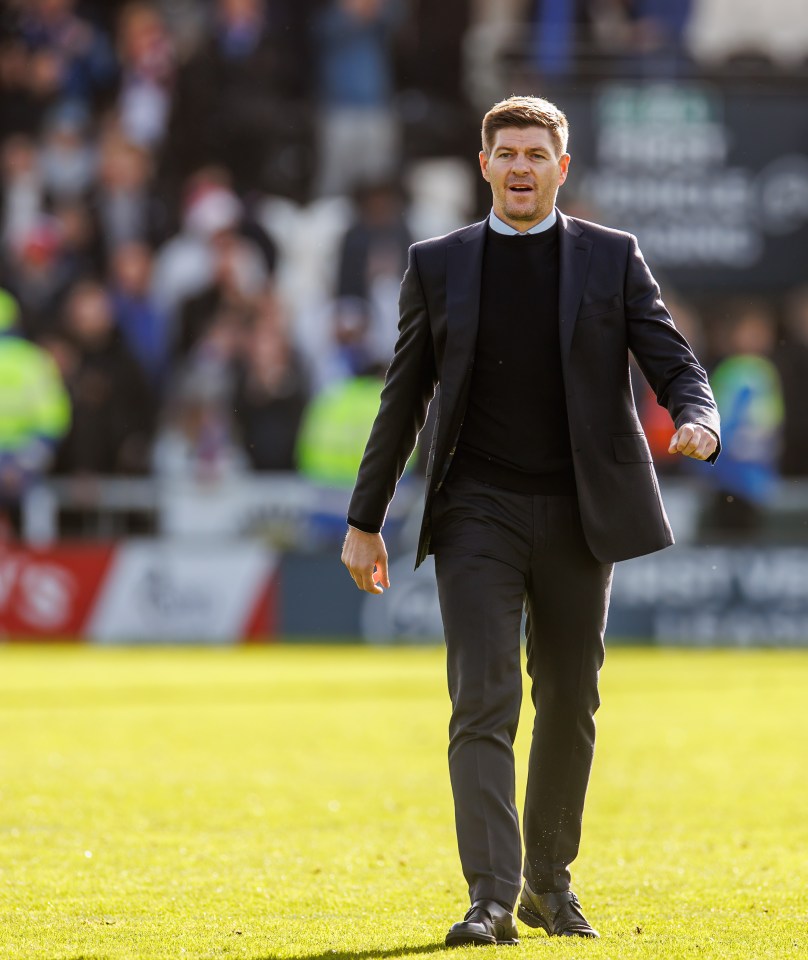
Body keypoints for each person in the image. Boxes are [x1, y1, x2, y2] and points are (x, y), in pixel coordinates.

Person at [341, 96, 720, 947]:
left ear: (562, 167)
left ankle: (549, 880)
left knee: (571, 702)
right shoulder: (436, 264)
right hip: (475, 508)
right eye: (505, 152)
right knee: (483, 698)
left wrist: (700, 417)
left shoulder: (612, 258)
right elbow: (402, 400)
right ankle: (490, 896)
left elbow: (673, 361)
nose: (520, 167)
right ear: (484, 166)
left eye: (535, 154)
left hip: (583, 514)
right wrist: (364, 519)